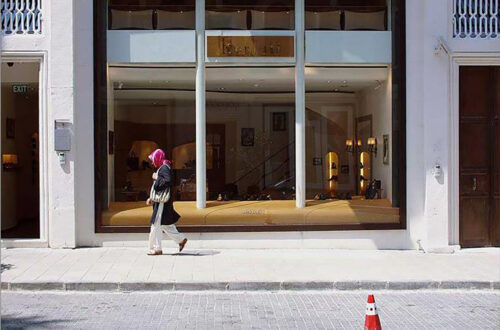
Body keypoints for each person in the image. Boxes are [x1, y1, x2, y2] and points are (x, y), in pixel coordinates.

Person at [147, 149, 187, 255]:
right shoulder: (165, 167)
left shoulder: (164, 168)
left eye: (153, 159)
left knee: (156, 225)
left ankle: (156, 248)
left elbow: (167, 181)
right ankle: (180, 239)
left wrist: (157, 178)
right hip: (162, 201)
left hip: (162, 203)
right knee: (164, 224)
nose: (152, 162)